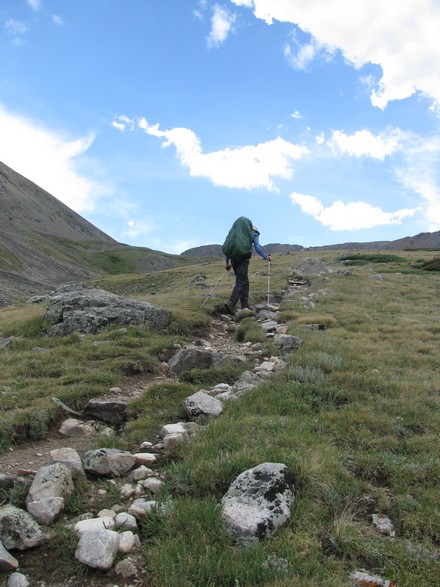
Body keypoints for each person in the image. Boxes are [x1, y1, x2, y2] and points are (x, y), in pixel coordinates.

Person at [223, 217, 271, 315]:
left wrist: (227, 264)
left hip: (234, 259)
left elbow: (230, 250)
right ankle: (231, 303)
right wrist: (265, 256)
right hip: (243, 259)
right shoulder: (254, 233)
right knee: (241, 280)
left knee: (244, 280)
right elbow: (257, 247)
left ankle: (245, 304)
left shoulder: (236, 235)